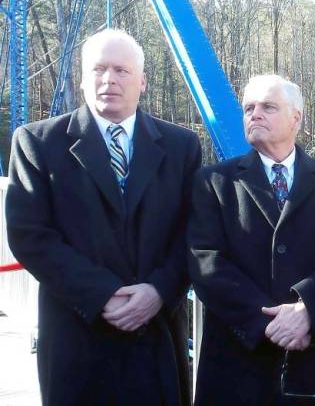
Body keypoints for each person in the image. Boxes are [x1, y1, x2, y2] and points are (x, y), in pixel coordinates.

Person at [5, 29, 202, 406]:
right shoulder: (38, 143)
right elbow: (30, 235)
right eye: (97, 69)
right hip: (78, 336)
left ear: (142, 81)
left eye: (121, 70)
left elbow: (195, 233)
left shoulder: (181, 147)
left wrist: (159, 291)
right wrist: (102, 295)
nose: (108, 79)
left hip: (155, 336)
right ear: (81, 79)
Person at [188, 74, 315, 405]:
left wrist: (308, 310)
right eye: (248, 108)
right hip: (236, 360)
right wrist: (266, 323)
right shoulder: (213, 183)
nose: (254, 114)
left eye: (268, 107)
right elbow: (205, 260)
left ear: (296, 117)